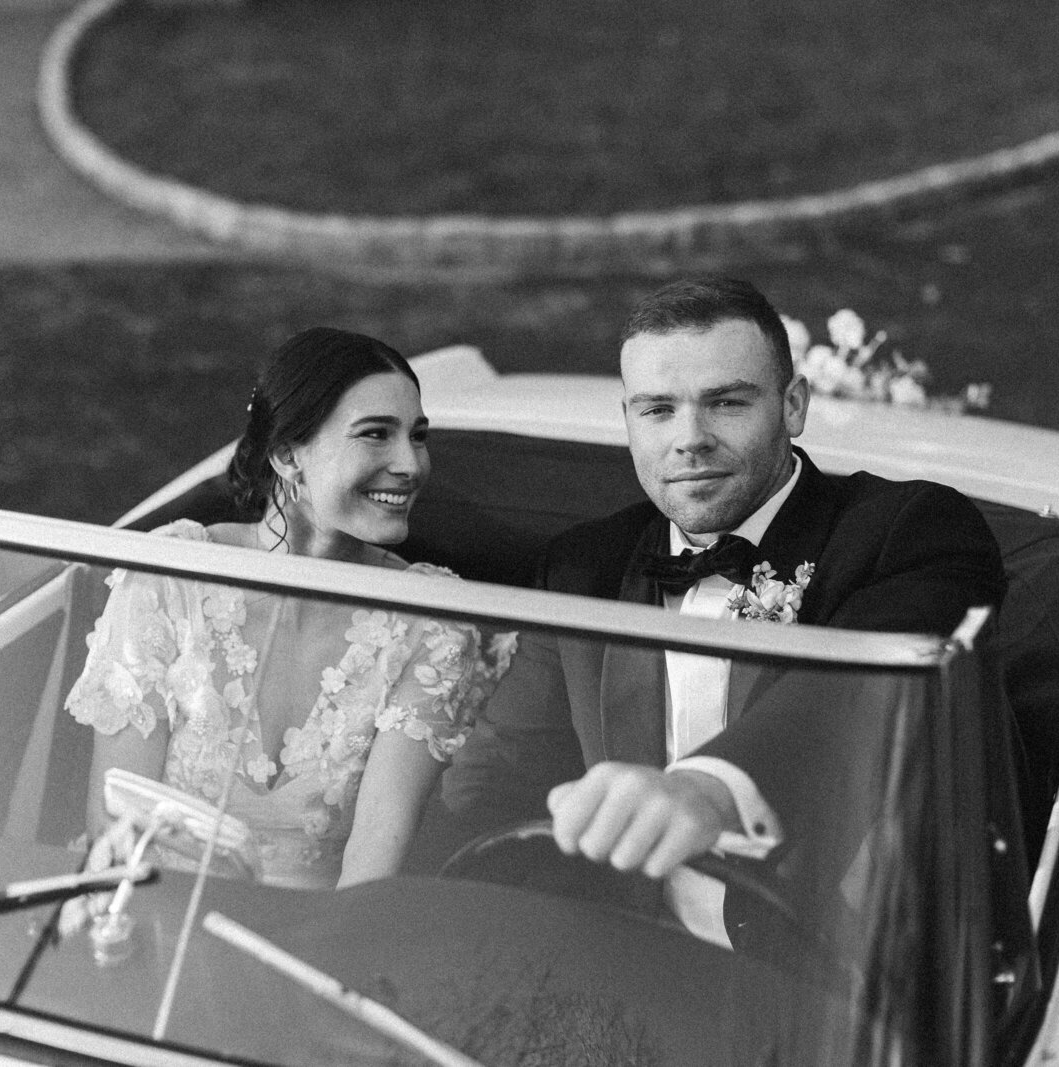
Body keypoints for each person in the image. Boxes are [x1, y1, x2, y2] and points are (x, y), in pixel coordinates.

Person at [441, 276, 1006, 948]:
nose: (690, 439)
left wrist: (709, 793)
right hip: (631, 965)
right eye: (657, 411)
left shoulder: (908, 530)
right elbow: (495, 785)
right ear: (627, 420)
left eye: (727, 403)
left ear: (793, 405)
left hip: (851, 974)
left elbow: (865, 694)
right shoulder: (582, 567)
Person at [65, 327, 510, 890]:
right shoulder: (170, 577)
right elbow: (116, 821)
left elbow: (373, 865)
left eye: (418, 437)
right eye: (377, 434)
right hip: (154, 918)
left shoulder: (431, 622)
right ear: (285, 455)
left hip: (320, 943)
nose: (411, 464)